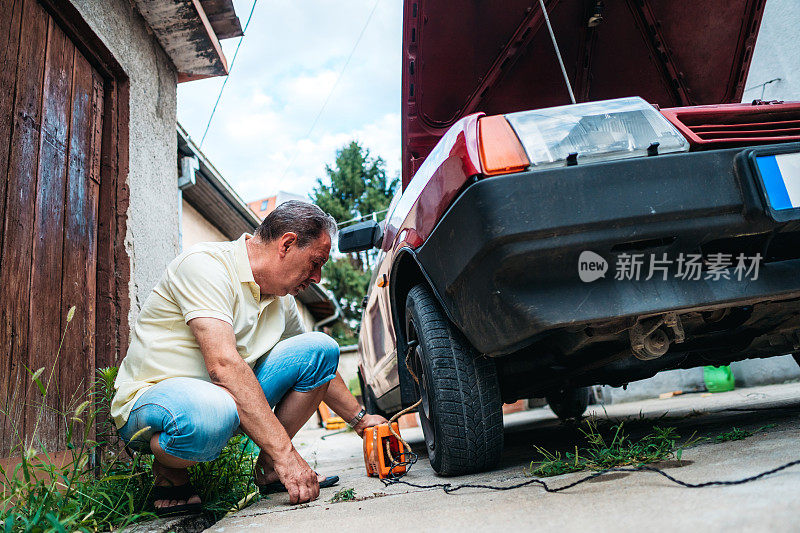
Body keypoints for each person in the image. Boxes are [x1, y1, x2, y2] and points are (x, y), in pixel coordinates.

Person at [110, 201, 387, 515]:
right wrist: (289, 455)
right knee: (212, 412)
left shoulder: (280, 297)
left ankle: (269, 470)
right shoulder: (206, 265)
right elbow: (224, 366)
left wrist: (362, 421)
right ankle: (169, 472)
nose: (318, 277)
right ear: (287, 243)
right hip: (154, 403)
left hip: (225, 407)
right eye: (316, 262)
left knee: (320, 348)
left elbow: (317, 364)